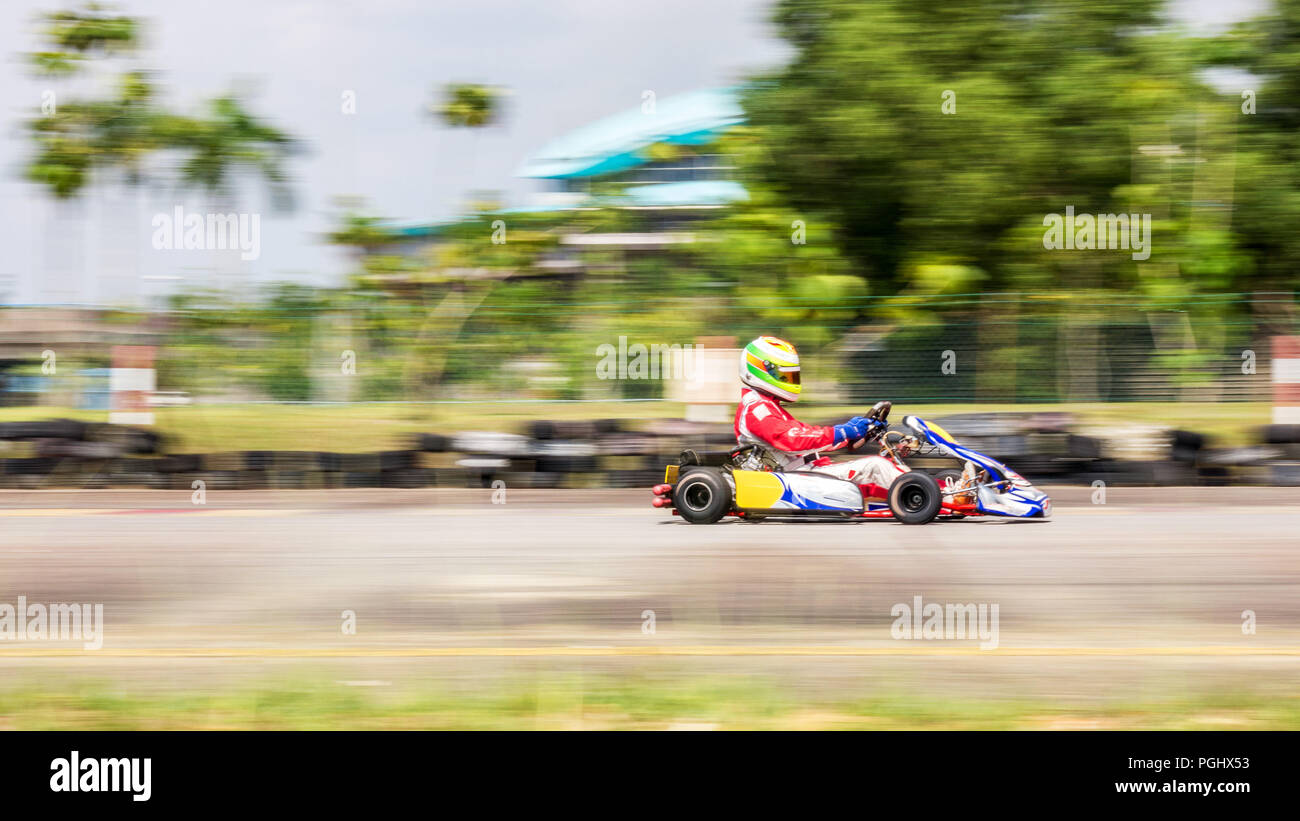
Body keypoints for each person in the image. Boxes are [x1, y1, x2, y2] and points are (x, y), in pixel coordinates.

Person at [734, 335, 908, 500]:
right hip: (794, 478)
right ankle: (926, 494)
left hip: (806, 472)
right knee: (875, 466)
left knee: (878, 472)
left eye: (791, 375)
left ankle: (921, 494)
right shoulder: (757, 409)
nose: (789, 380)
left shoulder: (768, 406)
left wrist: (853, 436)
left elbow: (805, 436)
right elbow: (793, 440)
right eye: (784, 375)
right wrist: (843, 431)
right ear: (759, 370)